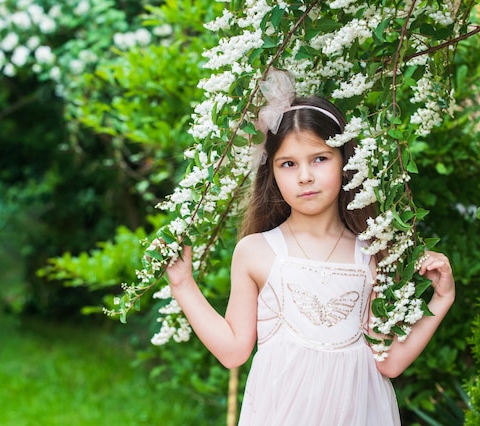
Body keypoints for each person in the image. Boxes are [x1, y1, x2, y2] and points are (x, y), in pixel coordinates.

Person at [166, 70, 455, 425]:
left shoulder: (372, 252)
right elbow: (233, 351)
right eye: (288, 164)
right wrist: (183, 285)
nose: (305, 176)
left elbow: (388, 360)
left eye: (319, 158)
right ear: (272, 172)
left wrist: (441, 300)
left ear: (345, 162)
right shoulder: (256, 251)